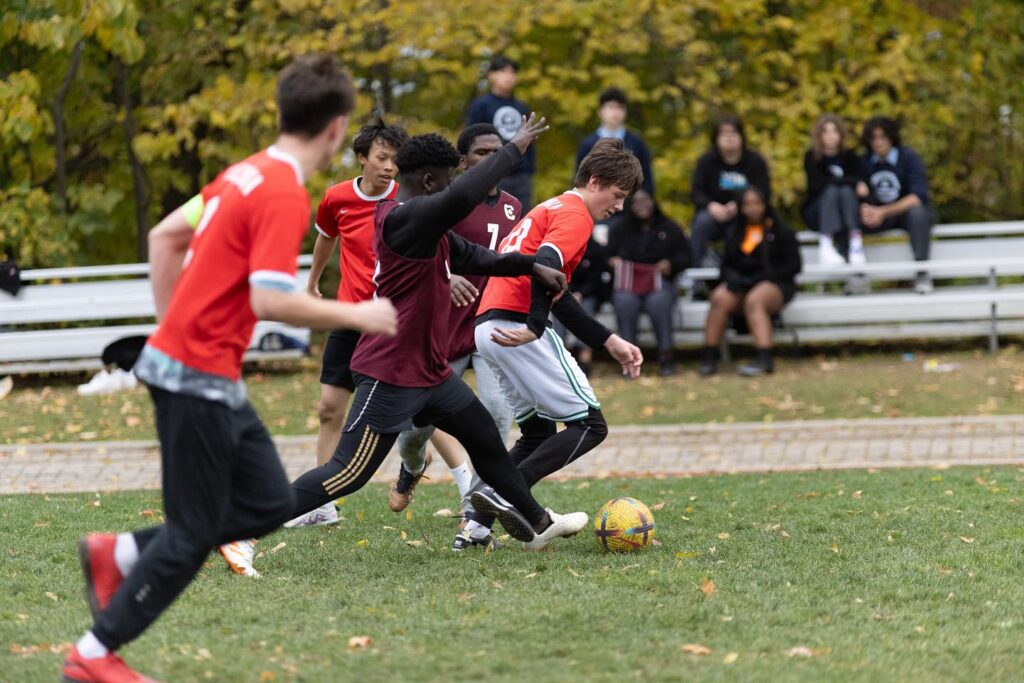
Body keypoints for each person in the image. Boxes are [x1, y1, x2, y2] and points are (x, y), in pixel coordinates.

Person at [60, 54, 398, 683]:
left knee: (271, 502)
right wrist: (360, 315)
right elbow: (270, 299)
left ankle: (121, 552)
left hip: (206, 373)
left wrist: (174, 330)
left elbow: (164, 237)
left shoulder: (243, 173)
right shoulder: (281, 192)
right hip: (196, 377)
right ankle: (95, 653)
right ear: (336, 129)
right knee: (193, 533)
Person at [281, 114, 590, 560]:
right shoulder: (404, 219)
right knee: (347, 472)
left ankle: (537, 524)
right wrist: (514, 149)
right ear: (428, 182)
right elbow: (463, 196)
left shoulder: (429, 231)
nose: (452, 188)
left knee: (486, 440)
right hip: (390, 372)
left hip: (429, 372)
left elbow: (479, 257)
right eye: (446, 180)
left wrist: (532, 266)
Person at [462, 138, 645, 551]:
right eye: (617, 195)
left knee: (537, 433)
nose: (619, 206)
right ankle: (509, 494)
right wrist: (534, 325)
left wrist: (607, 340)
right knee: (591, 426)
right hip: (516, 325)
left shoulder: (550, 207)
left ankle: (475, 530)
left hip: (488, 327)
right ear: (594, 181)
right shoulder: (576, 215)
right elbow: (546, 266)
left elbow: (557, 290)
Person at [386, 123, 520, 520]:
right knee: (415, 430)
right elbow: (423, 253)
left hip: (490, 325)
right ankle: (412, 466)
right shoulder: (447, 202)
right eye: (482, 153)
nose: (492, 159)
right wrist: (449, 276)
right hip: (444, 328)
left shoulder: (514, 207)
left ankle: (476, 507)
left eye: (498, 151)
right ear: (463, 161)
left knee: (497, 413)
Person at [284, 118, 407, 529]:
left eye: (395, 159)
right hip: (348, 316)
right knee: (328, 408)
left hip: (391, 321)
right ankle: (322, 506)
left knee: (424, 412)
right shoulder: (337, 197)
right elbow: (326, 237)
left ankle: (447, 474)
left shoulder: (406, 199)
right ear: (361, 158)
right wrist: (313, 283)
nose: (390, 167)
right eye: (382, 158)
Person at [698, 187, 801, 378]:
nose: (752, 208)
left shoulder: (781, 232)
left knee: (755, 299)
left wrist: (764, 276)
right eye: (747, 204)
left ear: (765, 205)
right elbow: (725, 266)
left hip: (774, 284)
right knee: (719, 297)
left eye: (757, 203)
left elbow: (794, 266)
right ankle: (710, 356)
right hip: (742, 285)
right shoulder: (736, 233)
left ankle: (764, 358)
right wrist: (733, 278)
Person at [606, 189, 691, 376]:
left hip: (660, 283)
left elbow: (686, 256)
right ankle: (628, 358)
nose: (642, 205)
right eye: (636, 202)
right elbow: (604, 257)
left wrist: (671, 265)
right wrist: (612, 262)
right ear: (630, 205)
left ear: (654, 202)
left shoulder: (669, 227)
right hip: (628, 285)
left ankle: (666, 356)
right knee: (624, 301)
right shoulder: (620, 229)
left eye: (646, 200)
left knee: (658, 301)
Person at [859, 116, 935, 294]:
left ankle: (922, 272)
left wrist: (883, 211)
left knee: (918, 214)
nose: (878, 142)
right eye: (873, 138)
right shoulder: (863, 161)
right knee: (849, 215)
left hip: (903, 214)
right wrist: (864, 208)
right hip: (876, 216)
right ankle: (856, 274)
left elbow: (917, 196)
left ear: (892, 137)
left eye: (882, 137)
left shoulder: (909, 158)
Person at [689, 115, 771, 271]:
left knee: (740, 228)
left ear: (741, 136)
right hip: (713, 214)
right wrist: (711, 206)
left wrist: (740, 206)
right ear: (716, 138)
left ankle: (741, 272)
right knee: (701, 222)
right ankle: (693, 273)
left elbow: (764, 192)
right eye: (724, 134)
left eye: (733, 133)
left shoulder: (755, 161)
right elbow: (696, 192)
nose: (729, 138)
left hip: (744, 214)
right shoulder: (706, 162)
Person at [466, 55, 534, 208]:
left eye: (512, 72)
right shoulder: (481, 105)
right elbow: (471, 139)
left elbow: (529, 141)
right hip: (490, 172)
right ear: (491, 75)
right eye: (503, 71)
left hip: (520, 175)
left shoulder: (521, 107)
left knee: (521, 217)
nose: (508, 76)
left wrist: (528, 170)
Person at [800, 114, 868, 265]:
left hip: (847, 211)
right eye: (826, 132)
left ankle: (855, 243)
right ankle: (826, 243)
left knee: (845, 192)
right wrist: (851, 183)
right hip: (818, 211)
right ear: (819, 135)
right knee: (832, 191)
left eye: (834, 131)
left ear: (841, 134)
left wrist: (849, 184)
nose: (830, 136)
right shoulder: (812, 157)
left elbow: (861, 189)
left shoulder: (851, 157)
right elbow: (817, 185)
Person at [575, 87, 654, 194]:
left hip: (629, 201)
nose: (615, 112)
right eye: (611, 107)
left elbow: (647, 181)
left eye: (620, 107)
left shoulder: (636, 143)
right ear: (601, 111)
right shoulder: (588, 144)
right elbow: (579, 181)